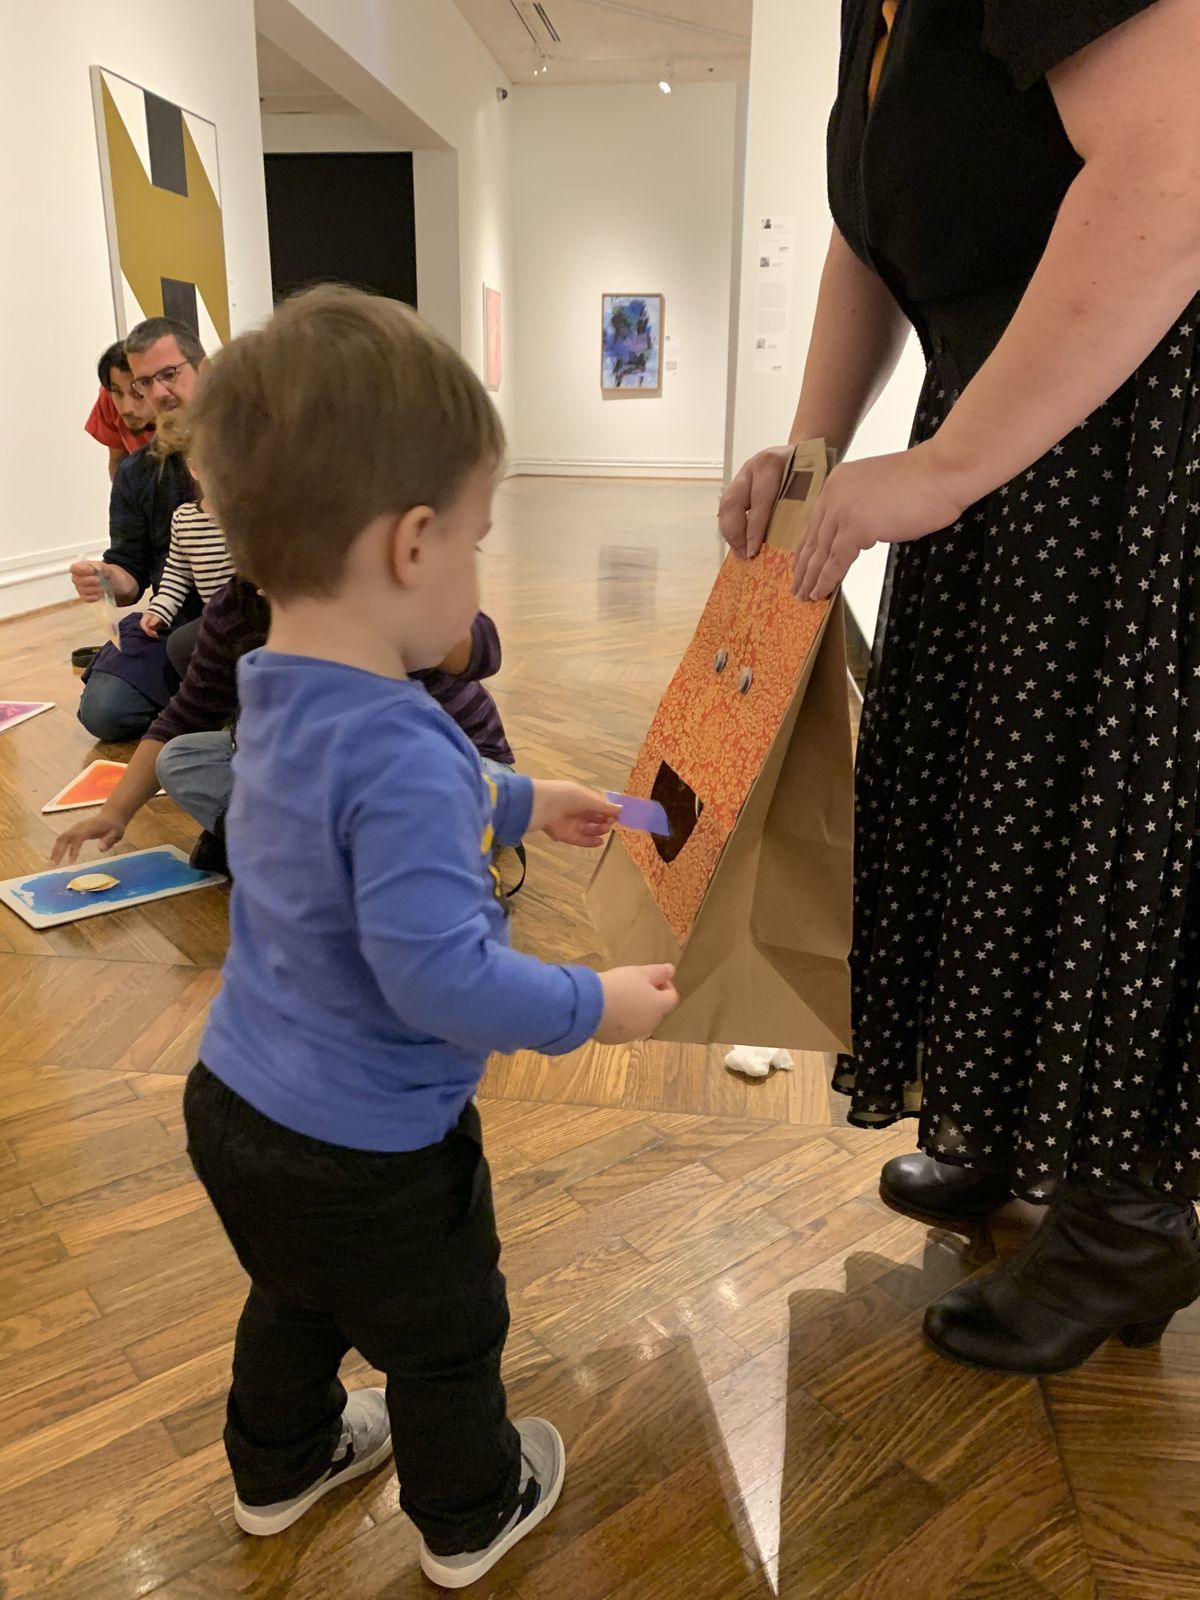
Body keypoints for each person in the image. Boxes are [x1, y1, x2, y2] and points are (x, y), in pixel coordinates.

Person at [720, 0, 1200, 1376]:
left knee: (1109, 820)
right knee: (991, 807)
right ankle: (1016, 1123)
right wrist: (814, 452)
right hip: (1006, 436)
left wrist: (938, 469)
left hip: (1134, 442)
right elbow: (876, 233)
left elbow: (1173, 169)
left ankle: (1129, 1215)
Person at [180, 285, 679, 1586]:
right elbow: (443, 978)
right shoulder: (402, 742)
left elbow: (353, 821)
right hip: (375, 1154)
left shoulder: (273, 691)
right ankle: (470, 1511)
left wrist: (522, 796)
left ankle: (278, 1467)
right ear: (411, 545)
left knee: (292, 1297)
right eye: (476, 540)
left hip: (235, 1108)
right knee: (447, 1334)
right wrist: (597, 1005)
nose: (476, 570)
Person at [50, 577, 517, 878]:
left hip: (451, 763)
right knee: (185, 756)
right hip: (330, 781)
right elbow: (181, 718)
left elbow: (481, 652)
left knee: (480, 793)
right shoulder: (234, 608)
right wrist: (114, 814)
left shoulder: (382, 581)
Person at [71, 318, 207, 742]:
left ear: (202, 367)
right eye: (146, 382)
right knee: (104, 710)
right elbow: (129, 575)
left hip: (259, 615)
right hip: (173, 617)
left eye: (170, 374)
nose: (160, 392)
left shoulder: (255, 443)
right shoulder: (136, 472)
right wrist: (105, 577)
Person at [139, 412, 234, 640]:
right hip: (214, 617)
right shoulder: (184, 518)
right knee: (179, 646)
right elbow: (177, 573)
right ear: (194, 469)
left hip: (251, 614)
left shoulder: (247, 514)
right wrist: (159, 609)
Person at [84, 341, 156, 480]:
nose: (126, 408)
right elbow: (119, 462)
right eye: (118, 392)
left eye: (138, 393)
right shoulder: (108, 397)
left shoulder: (186, 405)